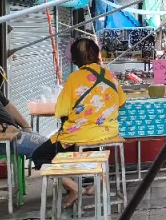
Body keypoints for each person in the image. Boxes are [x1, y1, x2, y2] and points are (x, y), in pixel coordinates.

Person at [30, 38, 127, 208]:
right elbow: (121, 102)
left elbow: (61, 111)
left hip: (79, 135)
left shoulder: (74, 78)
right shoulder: (110, 75)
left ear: (74, 58)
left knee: (39, 155)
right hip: (108, 133)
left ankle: (74, 187)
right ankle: (97, 180)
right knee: (89, 152)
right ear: (97, 54)